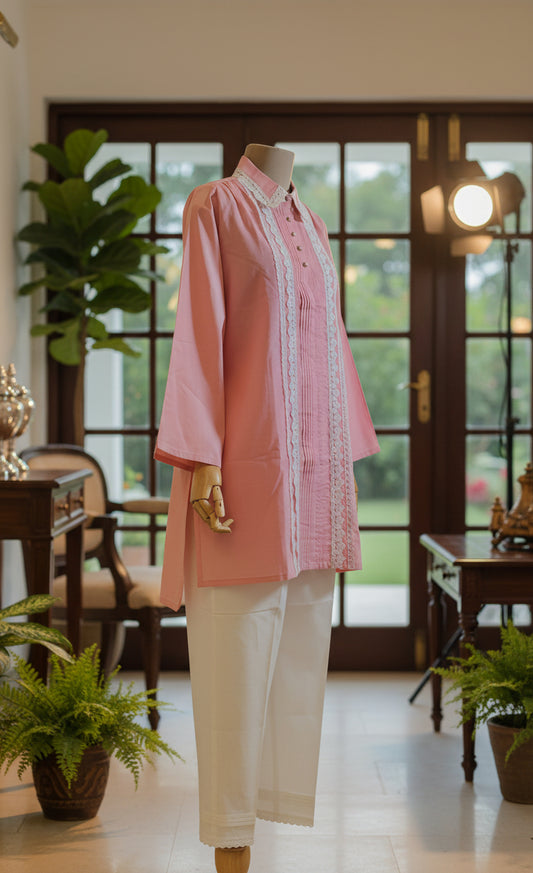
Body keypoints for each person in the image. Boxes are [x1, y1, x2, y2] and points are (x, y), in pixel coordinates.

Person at [155, 144, 379, 873]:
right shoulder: (216, 205)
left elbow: (328, 342)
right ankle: (230, 840)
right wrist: (203, 460)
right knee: (235, 661)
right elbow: (200, 330)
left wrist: (337, 458)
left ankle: (261, 821)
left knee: (296, 657)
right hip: (236, 479)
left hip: (312, 481)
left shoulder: (311, 223)